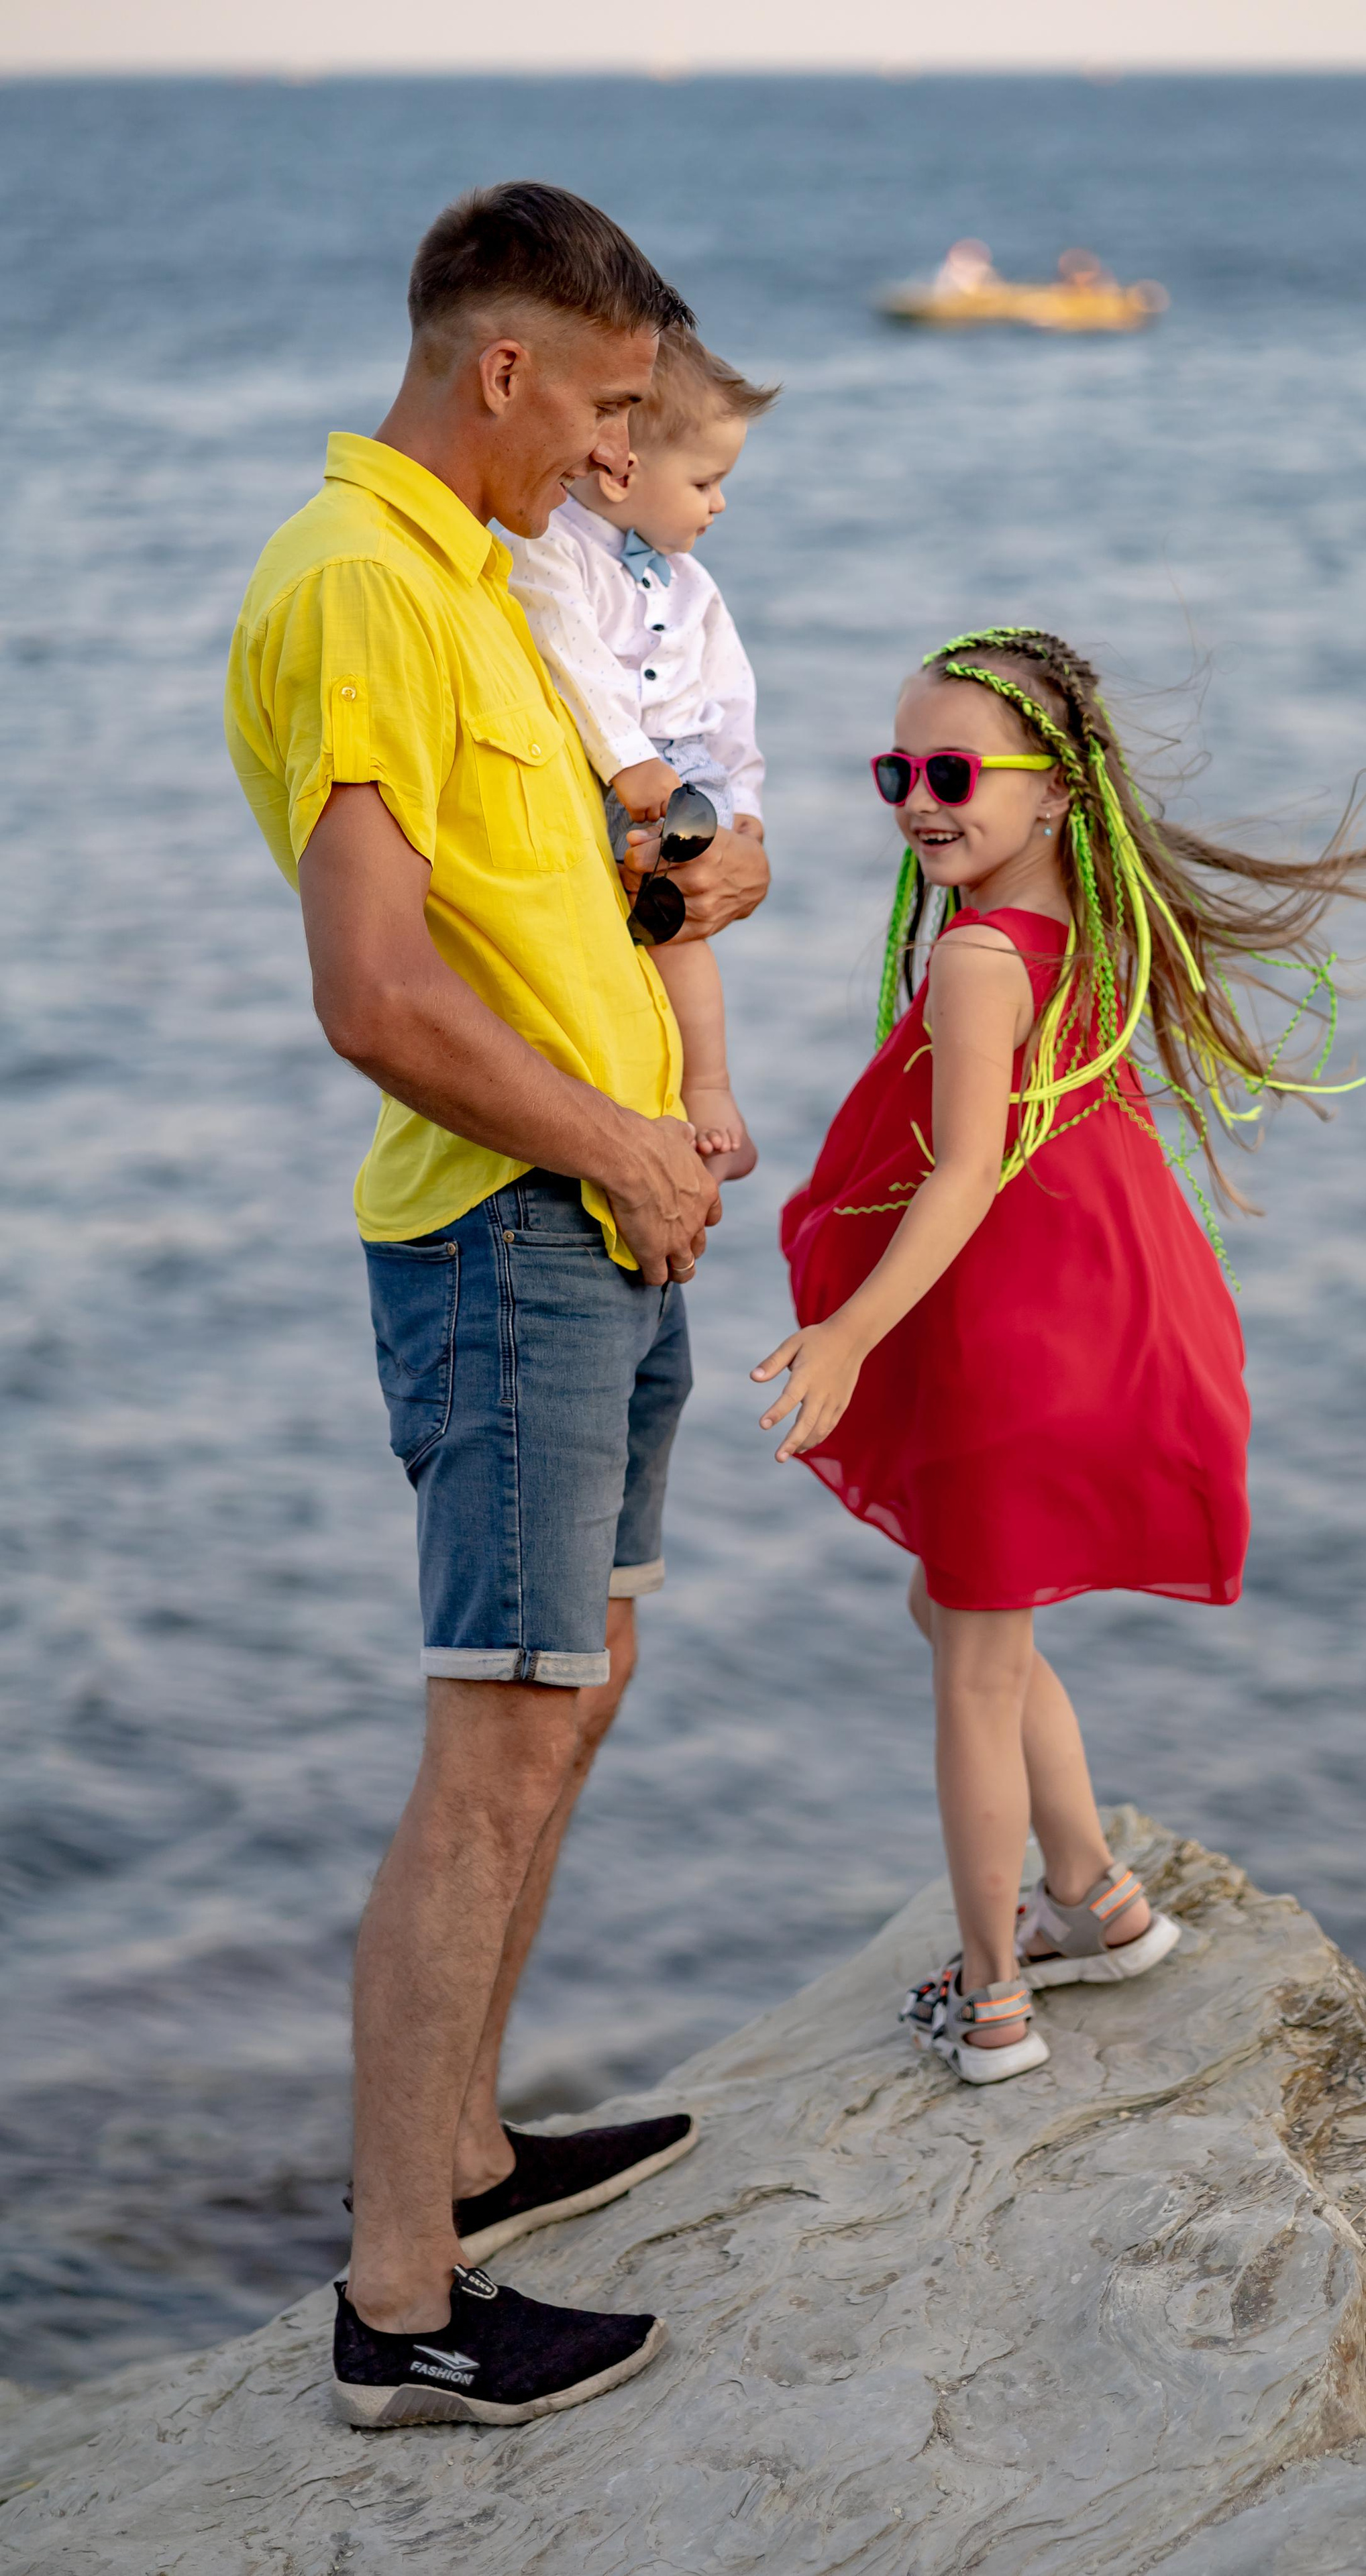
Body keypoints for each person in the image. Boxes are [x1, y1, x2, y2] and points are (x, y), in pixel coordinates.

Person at [225, 182, 768, 2428]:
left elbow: (566, 892)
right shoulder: (363, 580)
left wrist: (705, 873)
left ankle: (465, 2152)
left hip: (604, 1217)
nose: (623, 458)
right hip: (511, 1224)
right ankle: (398, 2304)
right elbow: (374, 989)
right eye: (609, 409)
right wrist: (617, 1146)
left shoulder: (479, 580)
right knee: (498, 1741)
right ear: (506, 370)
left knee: (581, 1679)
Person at [755, 627, 1366, 2086]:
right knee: (962, 1617)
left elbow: (962, 1173)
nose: (918, 800)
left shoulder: (974, 957)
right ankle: (1093, 1898)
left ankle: (994, 2002)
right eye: (897, 772)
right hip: (1111, 1325)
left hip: (1012, 1360)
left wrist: (847, 1332)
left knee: (971, 1666)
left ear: (1057, 790)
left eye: (955, 774)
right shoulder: (1080, 922)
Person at [510, 325, 778, 1178]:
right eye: (704, 482)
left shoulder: (690, 584)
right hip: (619, 767)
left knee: (676, 929)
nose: (719, 504)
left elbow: (730, 701)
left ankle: (707, 1089)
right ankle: (670, 1093)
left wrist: (745, 808)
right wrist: (630, 761)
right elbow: (573, 662)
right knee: (641, 930)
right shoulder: (548, 550)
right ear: (621, 471)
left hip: (685, 766)